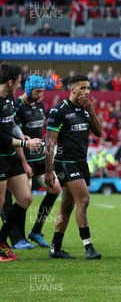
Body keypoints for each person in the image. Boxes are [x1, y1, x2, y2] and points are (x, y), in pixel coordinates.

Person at [45, 75, 103, 260]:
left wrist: (91, 111)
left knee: (67, 205)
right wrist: (48, 170)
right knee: (84, 200)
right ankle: (88, 247)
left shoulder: (86, 110)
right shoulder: (59, 111)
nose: (86, 92)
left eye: (88, 88)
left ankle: (55, 248)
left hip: (81, 162)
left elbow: (99, 133)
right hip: (65, 162)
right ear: (72, 89)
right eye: (83, 88)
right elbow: (49, 143)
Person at [0, 63, 44, 261]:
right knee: (0, 202)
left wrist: (21, 135)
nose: (19, 86)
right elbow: (1, 137)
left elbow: (12, 124)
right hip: (0, 157)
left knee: (25, 198)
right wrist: (25, 143)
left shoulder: (9, 98)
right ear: (10, 82)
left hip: (11, 156)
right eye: (18, 83)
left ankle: (1, 241)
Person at [14, 75, 62, 248]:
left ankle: (36, 230)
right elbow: (14, 135)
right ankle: (18, 238)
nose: (41, 94)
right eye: (37, 91)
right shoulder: (17, 106)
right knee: (24, 199)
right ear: (28, 90)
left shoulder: (40, 105)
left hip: (40, 157)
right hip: (24, 159)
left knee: (55, 189)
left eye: (42, 91)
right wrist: (24, 162)